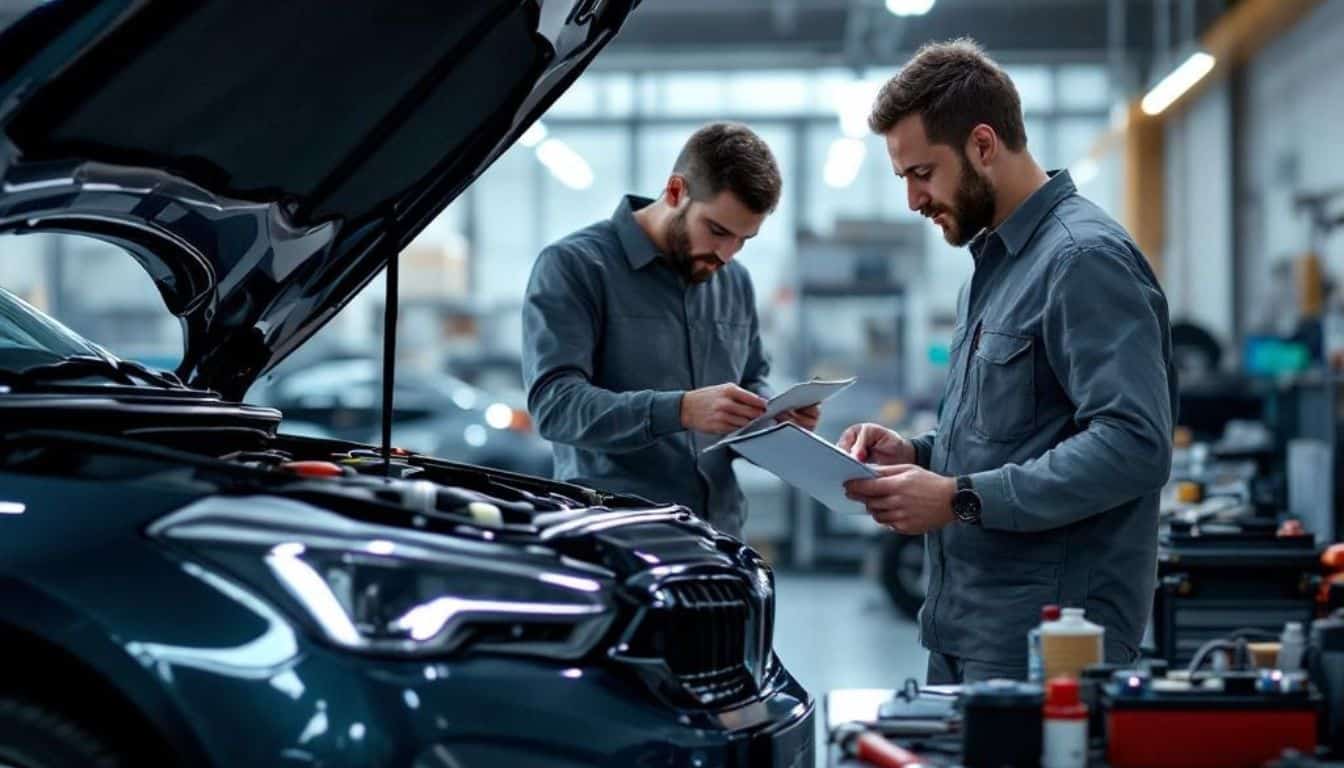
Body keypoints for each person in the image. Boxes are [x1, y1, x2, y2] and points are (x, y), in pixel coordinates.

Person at [838, 39, 1177, 684]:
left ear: (983, 145)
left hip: (1049, 645)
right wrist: (918, 456)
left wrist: (958, 498)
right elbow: (1013, 435)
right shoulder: (993, 270)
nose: (913, 199)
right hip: (967, 627)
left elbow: (1134, 445)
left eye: (922, 172)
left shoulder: (1082, 260)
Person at [522, 122, 817, 538]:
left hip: (719, 539)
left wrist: (773, 417)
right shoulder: (574, 267)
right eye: (717, 231)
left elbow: (753, 379)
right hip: (615, 541)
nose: (726, 254)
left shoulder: (735, 282)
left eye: (743, 240)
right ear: (676, 191)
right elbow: (555, 406)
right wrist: (679, 410)